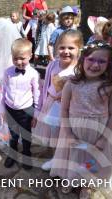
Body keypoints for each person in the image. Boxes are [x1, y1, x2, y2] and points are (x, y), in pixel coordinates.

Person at [50, 40, 112, 198]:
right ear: (83, 59)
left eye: (102, 61)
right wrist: (68, 134)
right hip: (74, 130)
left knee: (92, 160)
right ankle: (71, 178)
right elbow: (64, 109)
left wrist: (104, 138)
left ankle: (87, 184)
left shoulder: (110, 85)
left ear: (108, 64)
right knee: (72, 158)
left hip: (98, 132)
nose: (95, 65)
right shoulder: (72, 83)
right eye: (91, 59)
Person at [33, 30, 83, 171]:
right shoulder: (53, 65)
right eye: (62, 47)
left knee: (65, 137)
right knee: (53, 135)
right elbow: (46, 87)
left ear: (79, 49)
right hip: (51, 105)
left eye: (71, 48)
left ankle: (65, 161)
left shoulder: (80, 69)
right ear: (56, 48)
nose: (66, 51)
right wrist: (39, 108)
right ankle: (55, 159)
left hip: (68, 110)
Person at [0, 38, 40, 170]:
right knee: (13, 134)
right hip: (11, 109)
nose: (19, 62)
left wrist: (36, 113)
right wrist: (2, 110)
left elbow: (37, 93)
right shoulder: (8, 72)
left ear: (30, 56)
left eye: (22, 58)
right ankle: (12, 153)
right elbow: (4, 90)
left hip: (26, 110)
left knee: (26, 135)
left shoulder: (33, 74)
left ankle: (27, 154)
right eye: (15, 58)